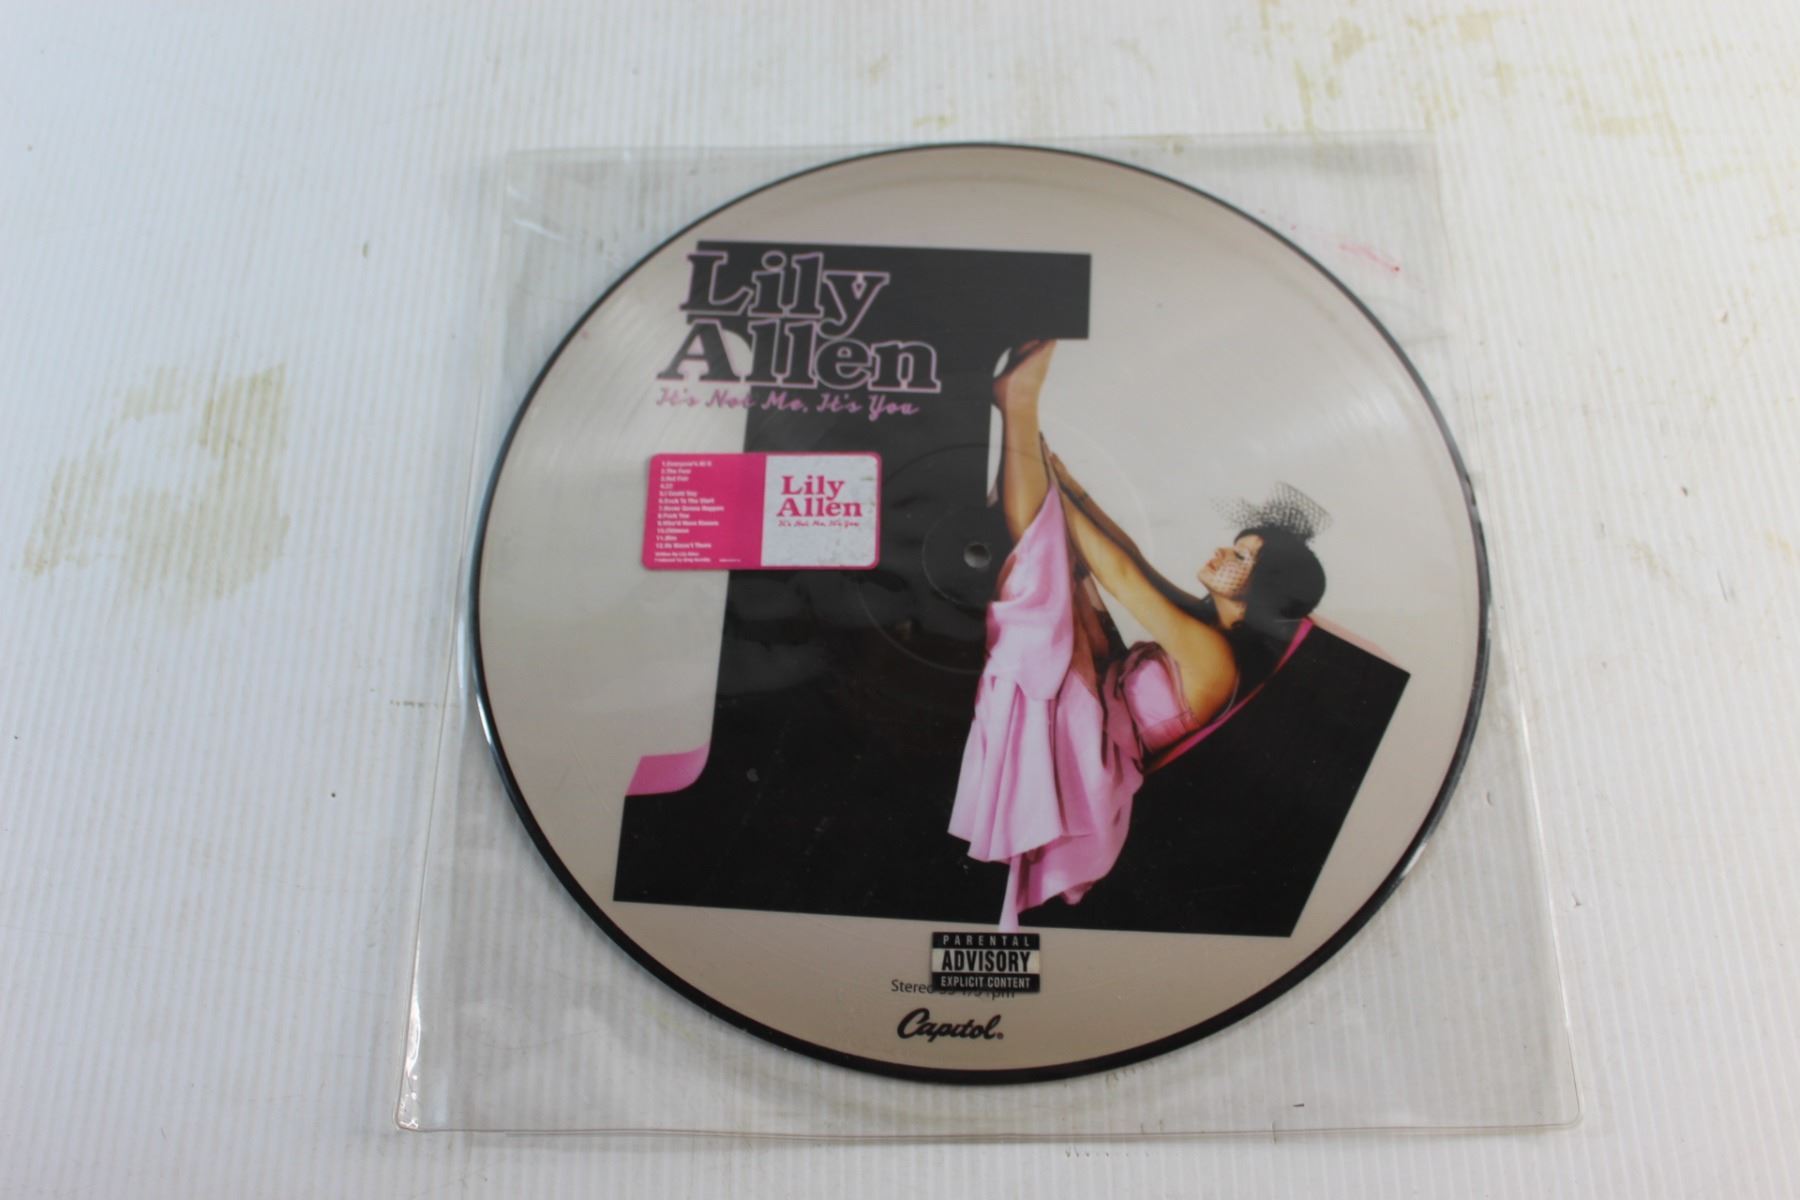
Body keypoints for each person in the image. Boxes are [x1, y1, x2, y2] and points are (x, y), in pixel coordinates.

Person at [948, 340, 1328, 930]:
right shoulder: (1208, 627)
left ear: (1265, 587)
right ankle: (1018, 412)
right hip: (1092, 713)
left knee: (1046, 579)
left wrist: (1057, 498)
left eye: (1242, 558)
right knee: (1057, 567)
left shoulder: (1216, 659)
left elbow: (1122, 580)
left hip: (1089, 756)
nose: (1222, 553)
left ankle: (1018, 406)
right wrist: (1068, 485)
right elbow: (1133, 561)